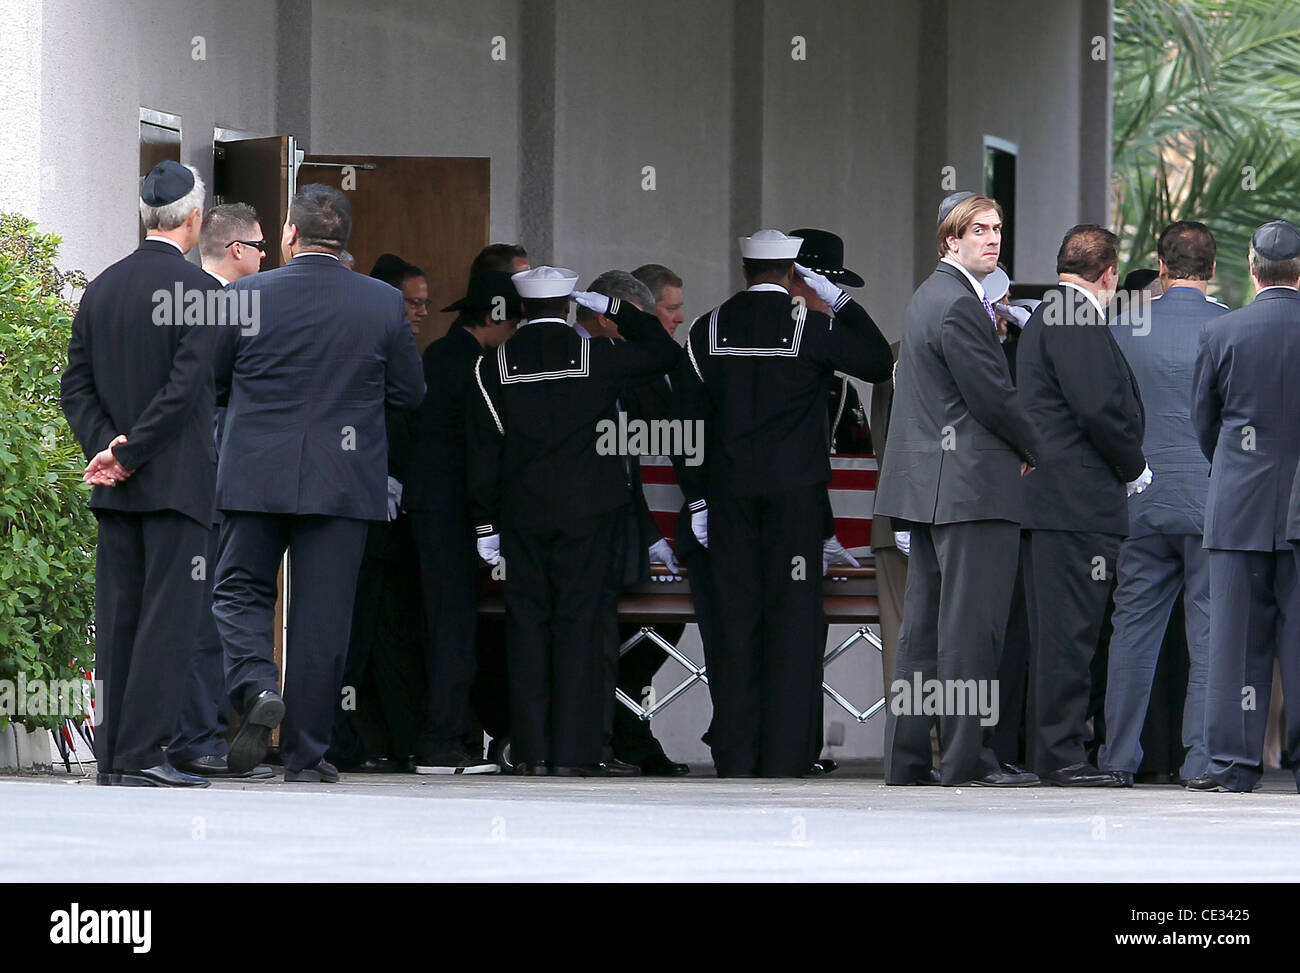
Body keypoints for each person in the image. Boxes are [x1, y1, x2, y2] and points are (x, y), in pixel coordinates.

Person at [211, 184, 424, 782]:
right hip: (343, 480)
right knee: (323, 617)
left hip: (256, 471)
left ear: (290, 235)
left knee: (238, 589)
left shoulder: (246, 294)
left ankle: (255, 687)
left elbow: (214, 380)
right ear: (344, 241)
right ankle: (306, 754)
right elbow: (410, 393)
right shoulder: (383, 303)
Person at [677, 229, 892, 777]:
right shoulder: (810, 325)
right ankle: (787, 753)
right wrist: (842, 303)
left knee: (734, 624)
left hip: (727, 500)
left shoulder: (707, 328)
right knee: (793, 625)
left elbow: (687, 422)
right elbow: (876, 362)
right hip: (795, 501)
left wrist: (698, 497)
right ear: (795, 274)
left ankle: (736, 752)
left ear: (745, 270)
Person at [466, 266, 681, 775]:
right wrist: (615, 309)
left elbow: (483, 454)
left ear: (520, 310)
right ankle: (579, 751)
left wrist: (485, 527)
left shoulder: (492, 365)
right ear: (568, 305)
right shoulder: (598, 355)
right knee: (584, 632)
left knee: (529, 632)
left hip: (522, 519)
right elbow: (665, 353)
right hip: (591, 515)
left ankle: (532, 750)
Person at [60, 160, 219, 787]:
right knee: (167, 622)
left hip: (116, 486)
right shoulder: (202, 293)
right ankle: (144, 754)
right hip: (173, 484)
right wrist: (129, 452)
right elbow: (183, 393)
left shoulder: (100, 287)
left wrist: (107, 447)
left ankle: (114, 757)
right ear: (196, 219)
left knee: (120, 620)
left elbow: (76, 385)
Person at [874, 193, 1041, 788]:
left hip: (933, 491)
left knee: (923, 633)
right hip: (971, 490)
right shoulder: (960, 305)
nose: (993, 240)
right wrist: (1036, 448)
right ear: (951, 241)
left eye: (997, 229)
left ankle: (908, 758)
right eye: (978, 231)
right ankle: (967, 761)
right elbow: (994, 395)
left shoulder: (927, 298)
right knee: (971, 633)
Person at [1017, 224, 1147, 787]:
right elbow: (1097, 407)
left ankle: (1055, 746)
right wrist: (1133, 465)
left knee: (1061, 634)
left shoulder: (1051, 314)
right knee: (1071, 635)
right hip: (1074, 504)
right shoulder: (1073, 317)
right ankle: (1061, 753)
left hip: (1057, 504)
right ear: (1110, 273)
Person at [1100, 222, 1226, 787]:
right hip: (1212, 501)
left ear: (1162, 264)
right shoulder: (1230, 327)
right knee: (1209, 635)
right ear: (1215, 268)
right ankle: (1200, 760)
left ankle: (1118, 757)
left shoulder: (1122, 329)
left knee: (1132, 631)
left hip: (1141, 499)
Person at [1190, 220, 1300, 793]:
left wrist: (1235, 468)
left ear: (1253, 269)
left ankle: (1232, 763)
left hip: (1238, 505)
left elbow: (1204, 424)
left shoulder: (1222, 332)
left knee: (1234, 641)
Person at [168, 202, 272, 779]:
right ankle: (199, 739)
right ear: (237, 250)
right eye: (260, 246)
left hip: (213, 475)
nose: (266, 256)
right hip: (206, 476)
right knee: (203, 611)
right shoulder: (213, 306)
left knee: (208, 606)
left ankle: (208, 733)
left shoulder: (206, 301)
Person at [405, 269, 521, 774]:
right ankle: (442, 741)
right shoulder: (476, 368)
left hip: (427, 508)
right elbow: (479, 452)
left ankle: (440, 735)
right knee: (454, 627)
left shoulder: (440, 354)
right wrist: (486, 523)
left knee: (439, 623)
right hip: (453, 514)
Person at [575, 270, 689, 777]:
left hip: (635, 524)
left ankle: (618, 733)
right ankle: (604, 737)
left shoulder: (628, 360)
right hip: (598, 524)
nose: (677, 320)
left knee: (655, 628)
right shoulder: (604, 361)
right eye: (663, 312)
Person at [326, 253, 429, 773]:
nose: (419, 313)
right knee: (352, 628)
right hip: (358, 506)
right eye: (412, 302)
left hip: (392, 513)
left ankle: (397, 737)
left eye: (424, 304)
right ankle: (336, 737)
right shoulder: (367, 343)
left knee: (388, 631)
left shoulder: (393, 345)